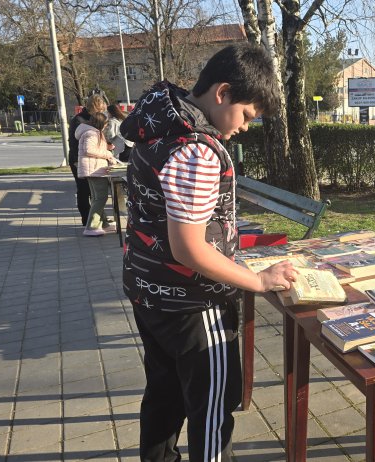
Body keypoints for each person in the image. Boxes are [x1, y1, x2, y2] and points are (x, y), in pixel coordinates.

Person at [119, 43, 297, 462]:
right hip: (194, 304)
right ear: (222, 93)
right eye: (247, 115)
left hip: (150, 292)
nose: (247, 127)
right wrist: (258, 280)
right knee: (212, 409)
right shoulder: (196, 150)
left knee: (163, 396)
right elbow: (189, 248)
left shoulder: (159, 126)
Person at [75, 112, 118, 237]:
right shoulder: (92, 133)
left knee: (96, 198)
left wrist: (107, 148)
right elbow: (89, 150)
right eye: (106, 124)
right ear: (101, 123)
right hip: (95, 170)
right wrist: (108, 154)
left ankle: (103, 223)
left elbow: (92, 148)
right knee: (101, 198)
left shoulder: (89, 132)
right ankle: (92, 227)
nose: (106, 126)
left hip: (92, 169)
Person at [68, 95, 106, 225]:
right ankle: (87, 219)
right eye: (99, 109)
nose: (101, 112)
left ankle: (97, 219)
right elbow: (75, 143)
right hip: (79, 160)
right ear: (93, 107)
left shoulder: (89, 118)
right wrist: (76, 160)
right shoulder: (79, 120)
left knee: (93, 193)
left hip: (90, 160)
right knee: (84, 190)